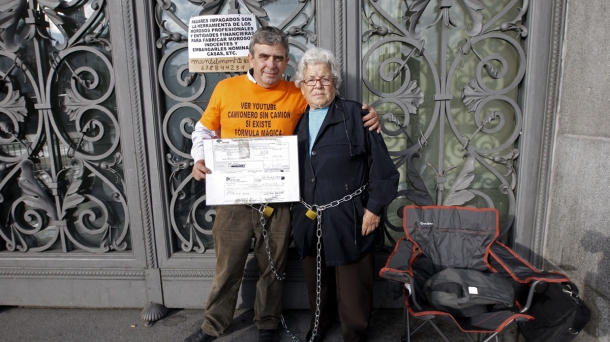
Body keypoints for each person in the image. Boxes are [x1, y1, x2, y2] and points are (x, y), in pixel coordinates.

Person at [186, 27, 380, 342]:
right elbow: (204, 130)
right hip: (234, 197)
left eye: (278, 58)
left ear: (287, 61)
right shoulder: (225, 88)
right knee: (227, 269)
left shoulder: (296, 93)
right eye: (263, 57)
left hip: (277, 199)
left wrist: (367, 114)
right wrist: (198, 159)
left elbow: (327, 107)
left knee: (272, 268)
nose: (270, 65)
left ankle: (267, 324)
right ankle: (213, 325)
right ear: (250, 58)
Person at [290, 47, 399, 342]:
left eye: (324, 79)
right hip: (309, 217)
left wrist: (374, 209)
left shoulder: (358, 115)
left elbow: (385, 170)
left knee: (354, 288)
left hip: (351, 216)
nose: (317, 85)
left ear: (335, 82)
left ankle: (355, 334)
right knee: (317, 282)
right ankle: (319, 326)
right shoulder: (293, 119)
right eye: (310, 80)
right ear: (300, 85)